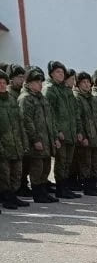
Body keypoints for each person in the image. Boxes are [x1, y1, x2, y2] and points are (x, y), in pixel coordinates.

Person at [18, 67, 60, 203]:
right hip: (36, 142)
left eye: (41, 82)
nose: (40, 84)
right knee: (37, 168)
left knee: (45, 167)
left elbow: (51, 120)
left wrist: (54, 137)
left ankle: (43, 191)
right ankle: (37, 194)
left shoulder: (42, 98)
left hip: (46, 140)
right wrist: (35, 139)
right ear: (29, 83)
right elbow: (26, 122)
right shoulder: (26, 99)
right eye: (36, 82)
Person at [45, 60, 80, 199]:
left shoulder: (66, 90)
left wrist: (77, 130)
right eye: (57, 72)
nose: (61, 74)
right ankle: (60, 188)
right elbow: (49, 114)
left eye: (62, 72)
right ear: (51, 74)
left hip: (70, 132)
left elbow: (75, 112)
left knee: (67, 162)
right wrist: (57, 131)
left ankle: (65, 187)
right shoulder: (50, 90)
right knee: (61, 162)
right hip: (61, 134)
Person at [0, 66, 29, 209]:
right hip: (3, 146)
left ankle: (12, 195)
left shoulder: (12, 100)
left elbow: (20, 122)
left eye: (3, 82)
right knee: (4, 175)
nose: (2, 85)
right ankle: (6, 198)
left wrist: (24, 141)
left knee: (17, 173)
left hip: (16, 143)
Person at [72, 71, 97, 196]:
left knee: (95, 162)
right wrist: (82, 136)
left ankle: (93, 185)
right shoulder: (76, 98)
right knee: (86, 163)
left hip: (95, 136)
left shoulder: (93, 99)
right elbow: (77, 119)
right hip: (86, 137)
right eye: (83, 82)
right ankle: (87, 186)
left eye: (88, 82)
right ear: (78, 84)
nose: (86, 84)